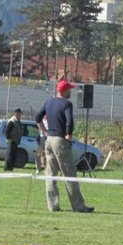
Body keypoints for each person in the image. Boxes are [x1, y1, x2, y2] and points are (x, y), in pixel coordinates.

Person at [35, 80, 94, 213]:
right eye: (69, 89)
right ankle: (78, 206)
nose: (71, 92)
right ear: (64, 90)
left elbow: (37, 117)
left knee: (51, 174)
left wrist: (45, 131)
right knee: (69, 174)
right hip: (60, 141)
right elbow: (69, 121)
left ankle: (53, 205)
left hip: (49, 140)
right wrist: (69, 134)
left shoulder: (48, 102)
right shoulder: (67, 104)